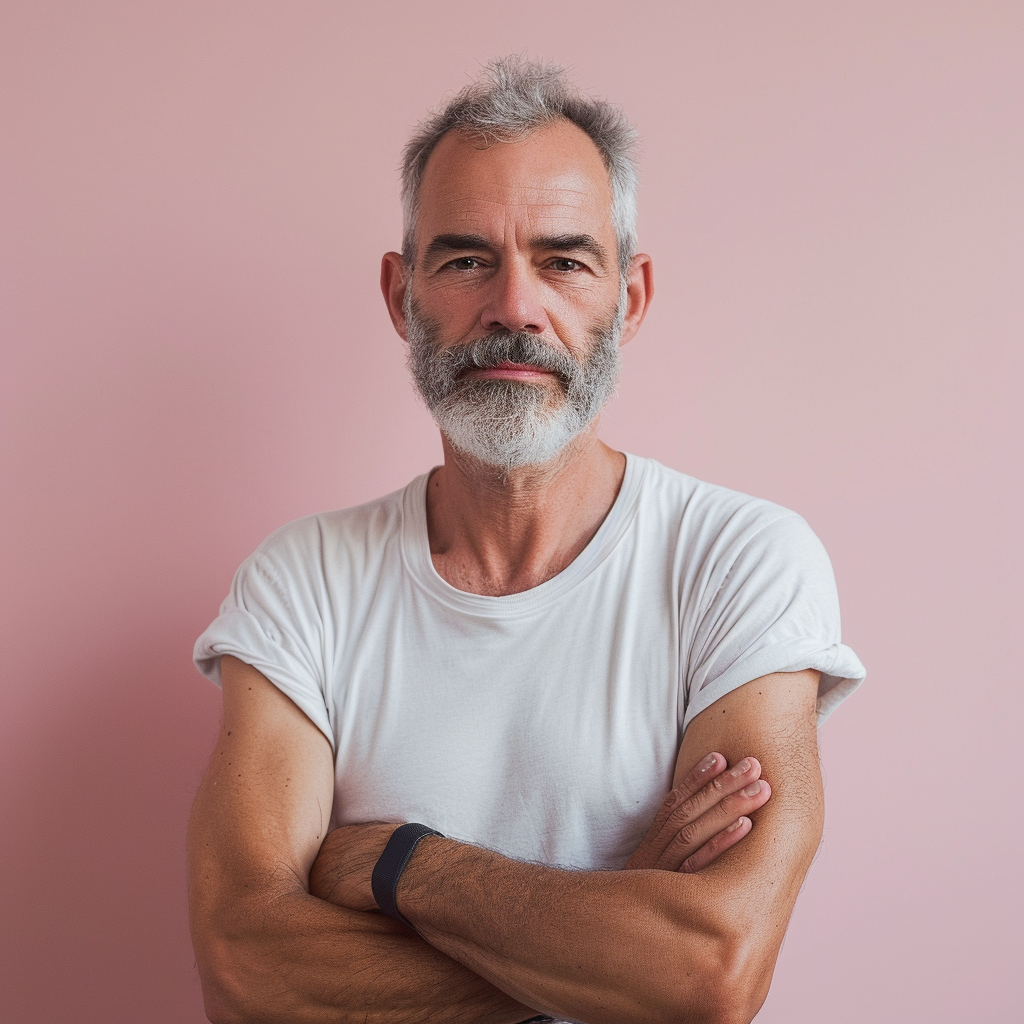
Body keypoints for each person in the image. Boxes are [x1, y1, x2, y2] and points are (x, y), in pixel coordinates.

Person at [188, 56, 865, 1024]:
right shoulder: (303, 579)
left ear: (626, 299)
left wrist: (395, 862)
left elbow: (705, 974)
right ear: (400, 294)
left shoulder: (738, 558)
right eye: (466, 260)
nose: (514, 307)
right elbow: (248, 977)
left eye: (562, 260)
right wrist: (613, 914)